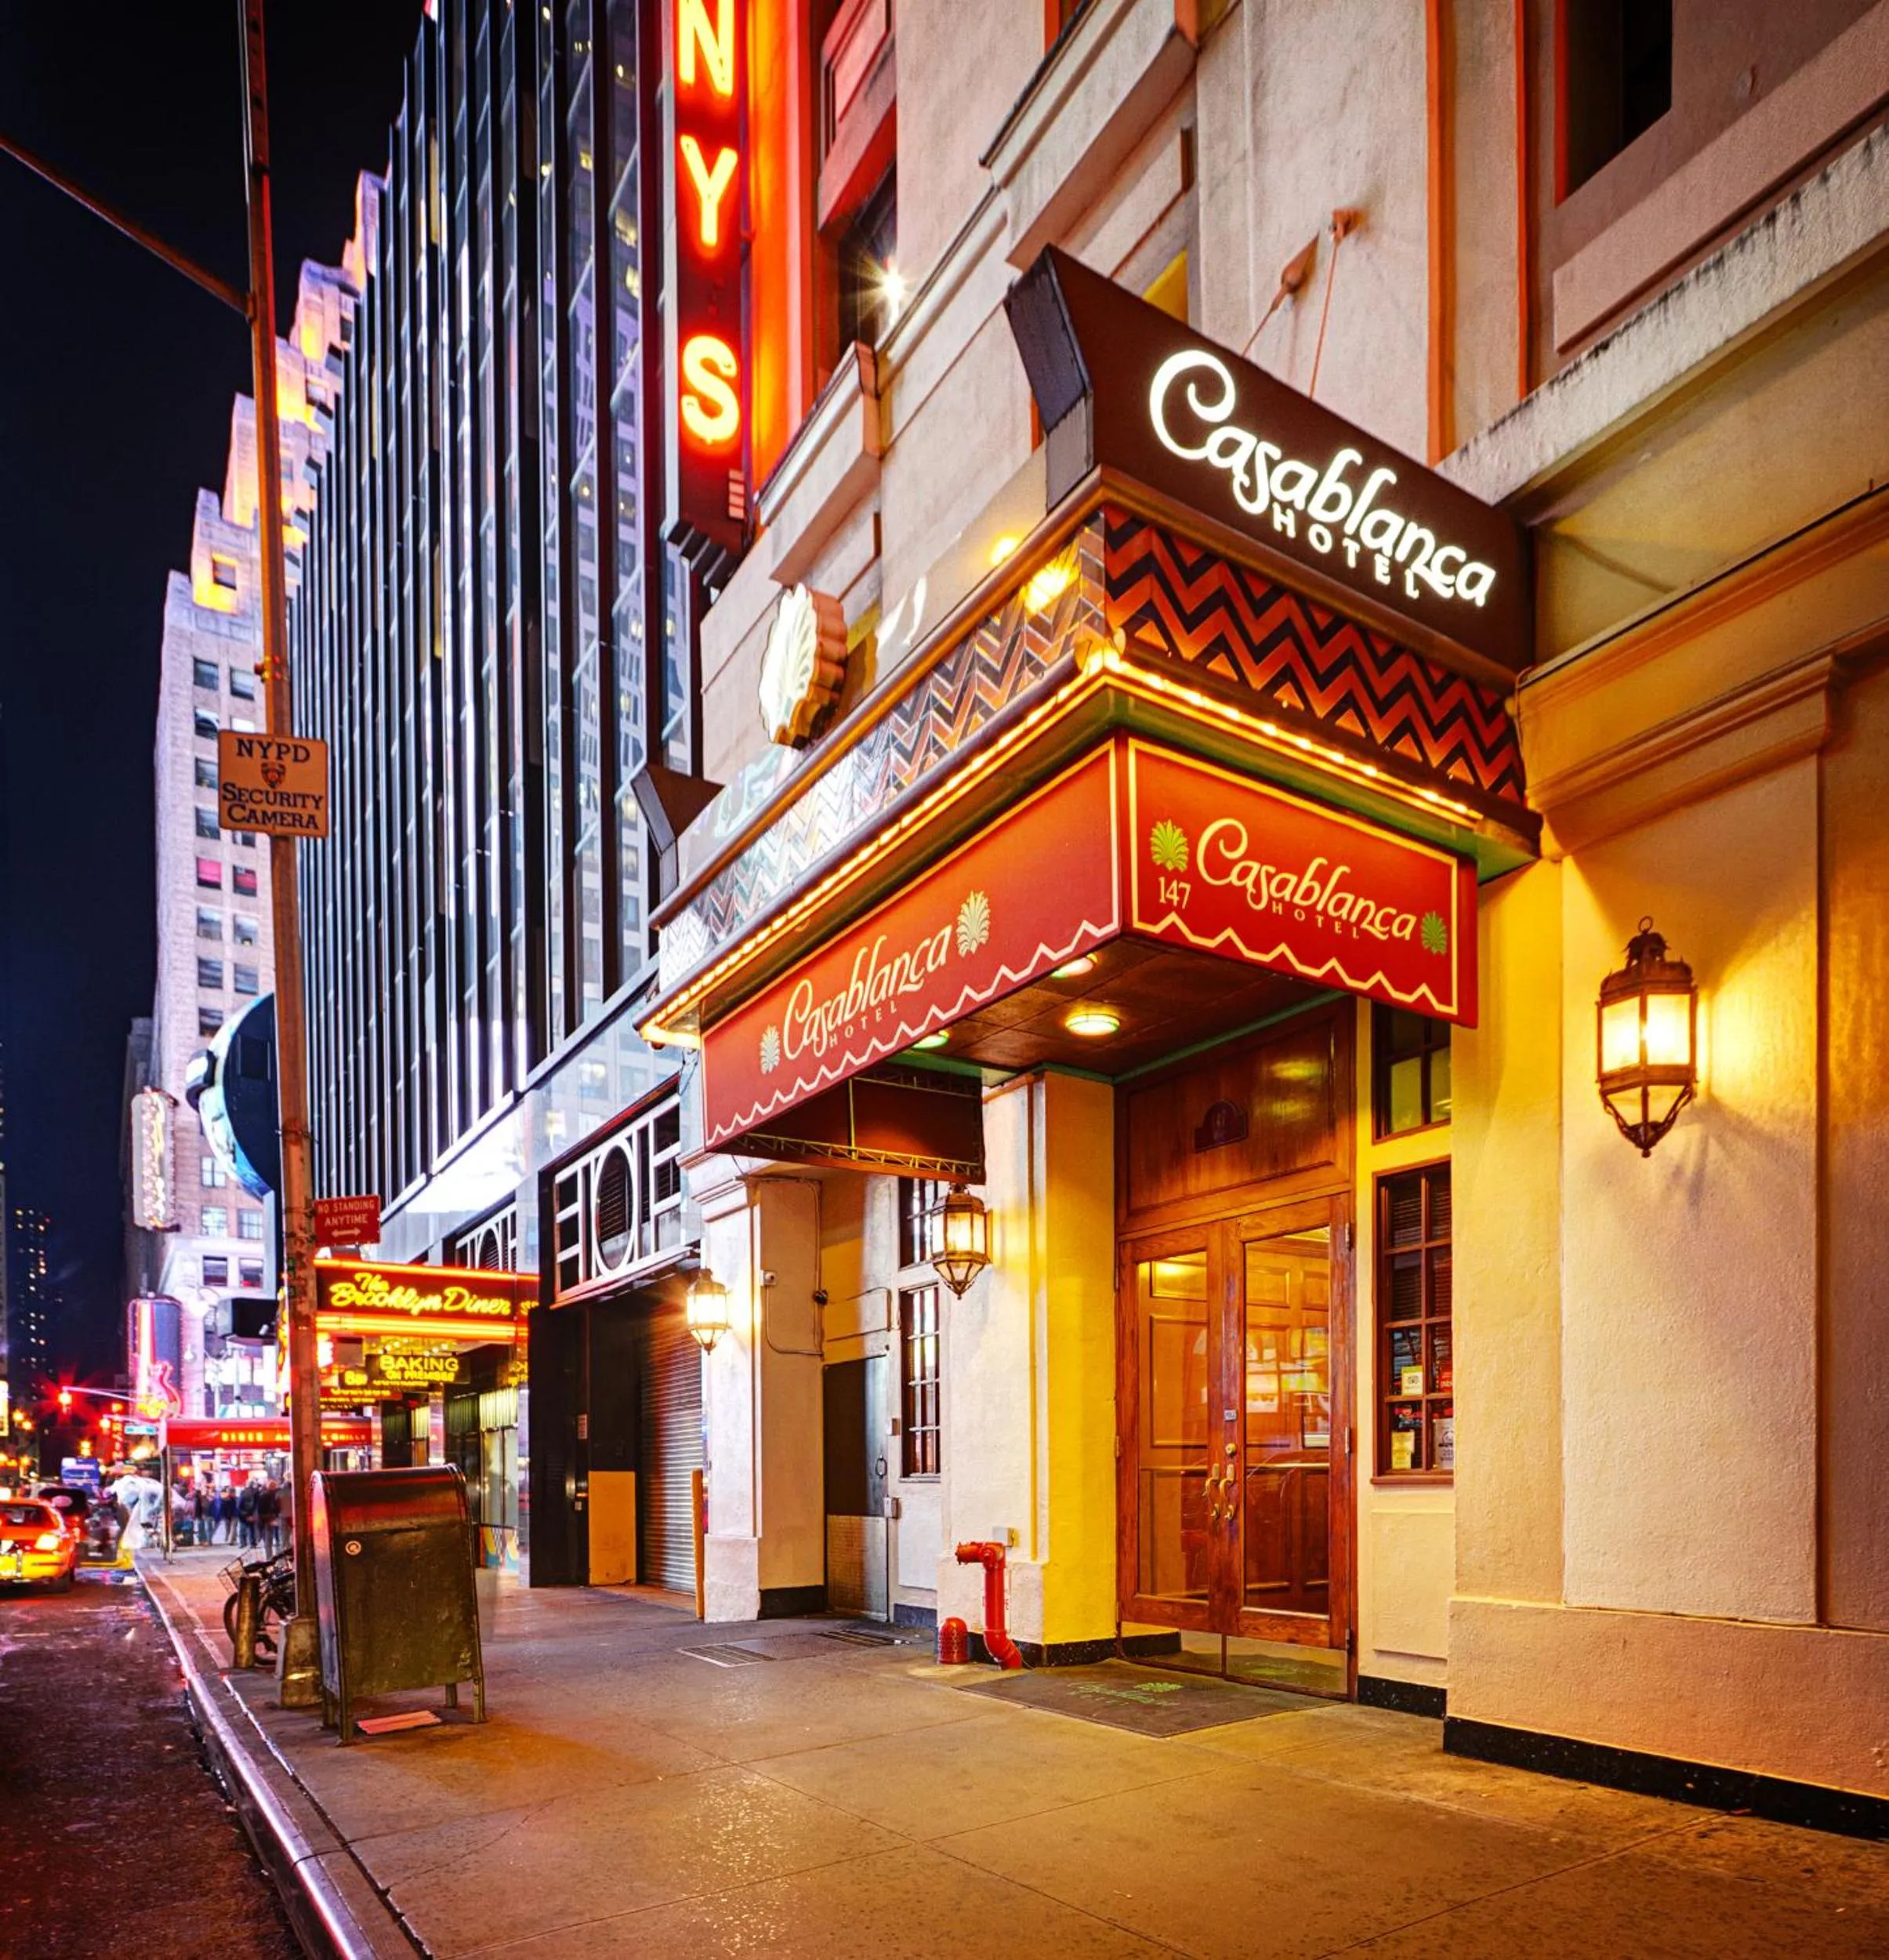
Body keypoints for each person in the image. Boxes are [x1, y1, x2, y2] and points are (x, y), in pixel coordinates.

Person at [257, 1479, 281, 1556]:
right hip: (272, 1517)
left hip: (267, 1518)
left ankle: (269, 1556)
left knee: (268, 1538)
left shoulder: (263, 1495)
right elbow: (276, 1507)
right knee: (275, 1537)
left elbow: (260, 1509)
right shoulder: (275, 1494)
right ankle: (274, 1556)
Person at [236, 1476, 259, 1550]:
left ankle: (243, 1543)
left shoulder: (243, 1492)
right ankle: (252, 1543)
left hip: (243, 1514)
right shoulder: (257, 1493)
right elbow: (257, 1505)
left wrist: (244, 1514)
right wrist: (253, 1515)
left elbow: (239, 1504)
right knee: (251, 1529)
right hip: (251, 1514)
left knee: (242, 1528)